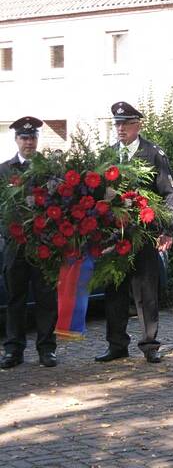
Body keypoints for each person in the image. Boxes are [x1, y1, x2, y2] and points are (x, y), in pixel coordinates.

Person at [95, 101, 173, 364]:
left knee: (145, 291)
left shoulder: (153, 153)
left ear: (138, 125)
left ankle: (149, 344)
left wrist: (168, 229)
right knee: (114, 291)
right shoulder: (108, 155)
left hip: (143, 233)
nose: (120, 128)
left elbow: (168, 192)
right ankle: (117, 344)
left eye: (125, 123)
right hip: (114, 234)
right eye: (117, 124)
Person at [0, 117, 58, 369]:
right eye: (24, 138)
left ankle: (46, 349)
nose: (29, 142)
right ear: (16, 140)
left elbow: (61, 206)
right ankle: (14, 350)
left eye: (33, 137)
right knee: (16, 298)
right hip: (15, 244)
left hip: (43, 243)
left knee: (46, 297)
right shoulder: (4, 170)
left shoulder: (49, 170)